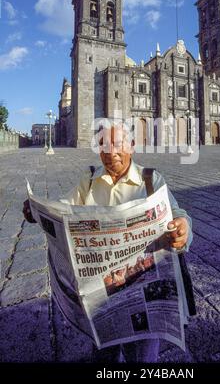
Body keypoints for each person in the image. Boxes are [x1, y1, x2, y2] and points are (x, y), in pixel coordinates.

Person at [23, 120, 193, 363]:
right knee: (104, 355)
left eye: (118, 144)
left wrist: (183, 230)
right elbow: (63, 208)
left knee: (143, 359)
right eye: (103, 144)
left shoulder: (152, 180)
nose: (110, 152)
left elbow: (179, 215)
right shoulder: (89, 180)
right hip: (101, 299)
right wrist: (38, 212)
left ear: (132, 146)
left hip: (140, 296)